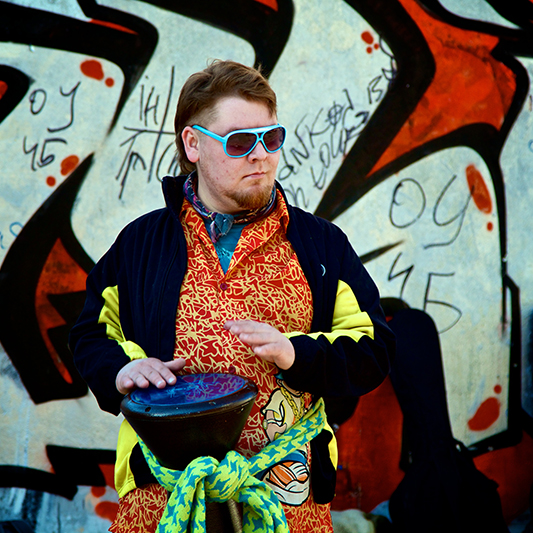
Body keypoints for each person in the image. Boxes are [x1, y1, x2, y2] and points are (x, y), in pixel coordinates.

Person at [69, 59, 395, 533]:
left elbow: (374, 347)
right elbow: (89, 335)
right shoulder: (140, 244)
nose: (261, 155)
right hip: (164, 501)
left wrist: (294, 353)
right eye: (240, 141)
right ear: (193, 144)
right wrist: (121, 370)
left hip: (288, 505)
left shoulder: (321, 245)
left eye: (272, 138)